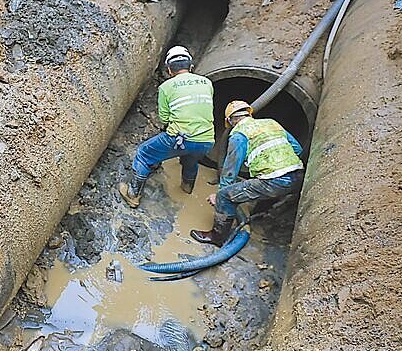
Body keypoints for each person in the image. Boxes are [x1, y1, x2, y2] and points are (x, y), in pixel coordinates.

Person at [190, 100, 304, 246]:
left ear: (229, 121)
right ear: (249, 114)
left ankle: (217, 237)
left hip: (274, 182)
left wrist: (219, 195)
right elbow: (298, 149)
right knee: (262, 185)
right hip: (299, 176)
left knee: (225, 196)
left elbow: (230, 171)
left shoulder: (238, 135)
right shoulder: (271, 123)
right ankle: (259, 216)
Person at [118, 45, 215, 208]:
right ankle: (187, 187)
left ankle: (133, 195)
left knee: (143, 153)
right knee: (191, 160)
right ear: (191, 66)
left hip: (181, 139)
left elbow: (164, 118)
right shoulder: (207, 83)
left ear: (169, 69)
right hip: (207, 140)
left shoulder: (166, 87)